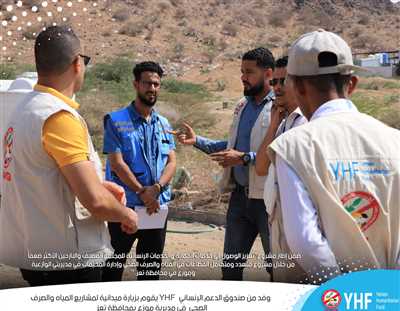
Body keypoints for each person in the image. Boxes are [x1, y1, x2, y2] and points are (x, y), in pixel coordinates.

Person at [0, 26, 138, 286]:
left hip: (35, 255)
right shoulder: (58, 117)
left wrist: (99, 183)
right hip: (68, 264)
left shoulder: (22, 112)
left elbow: (41, 175)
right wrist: (126, 215)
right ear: (77, 63)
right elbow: (95, 202)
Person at [267, 29, 400, 284]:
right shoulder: (395, 140)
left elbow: (305, 242)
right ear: (352, 84)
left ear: (296, 86)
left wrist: (342, 298)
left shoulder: (293, 147)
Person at [176, 48, 275, 281]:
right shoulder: (242, 105)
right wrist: (197, 141)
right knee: (230, 268)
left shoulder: (280, 108)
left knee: (277, 268)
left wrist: (244, 157)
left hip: (269, 201)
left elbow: (278, 152)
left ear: (268, 73)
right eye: (242, 71)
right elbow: (230, 146)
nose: (243, 77)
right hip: (240, 200)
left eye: (249, 72)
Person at [101, 61, 176, 281]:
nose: (152, 88)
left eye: (156, 84)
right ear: (136, 84)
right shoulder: (116, 121)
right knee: (112, 269)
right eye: (147, 83)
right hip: (124, 208)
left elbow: (171, 162)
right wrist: (143, 192)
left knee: (150, 272)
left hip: (155, 209)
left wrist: (157, 188)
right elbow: (116, 162)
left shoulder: (163, 123)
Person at [255, 56, 307, 283]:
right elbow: (261, 167)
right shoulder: (285, 122)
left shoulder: (307, 123)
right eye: (274, 82)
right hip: (277, 219)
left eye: (282, 81)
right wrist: (274, 123)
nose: (276, 87)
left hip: (298, 223)